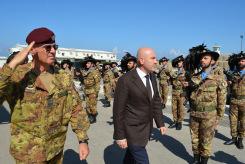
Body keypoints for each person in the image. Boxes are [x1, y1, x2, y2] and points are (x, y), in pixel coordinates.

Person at [0, 27, 90, 163]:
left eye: (55, 47)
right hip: (28, 153)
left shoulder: (63, 76)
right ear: (32, 50)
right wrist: (12, 64)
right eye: (48, 48)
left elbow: (76, 108)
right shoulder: (18, 75)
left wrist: (82, 139)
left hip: (55, 150)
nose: (53, 51)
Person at [113, 47, 167, 164]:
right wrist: (119, 136)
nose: (156, 61)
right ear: (142, 61)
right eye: (152, 58)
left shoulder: (152, 76)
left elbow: (155, 101)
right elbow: (118, 110)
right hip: (132, 130)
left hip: (146, 128)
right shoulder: (125, 80)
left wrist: (160, 122)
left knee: (130, 158)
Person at [186, 49, 227, 164]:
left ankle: (204, 160)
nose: (202, 60)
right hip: (194, 113)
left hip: (209, 116)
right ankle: (195, 158)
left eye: (206, 58)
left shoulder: (218, 78)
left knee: (206, 140)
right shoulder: (194, 77)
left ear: (211, 60)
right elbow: (189, 94)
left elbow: (222, 99)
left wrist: (219, 117)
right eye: (201, 58)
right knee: (194, 138)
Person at [225, 51, 245, 149]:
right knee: (232, 120)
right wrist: (228, 82)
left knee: (243, 121)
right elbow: (228, 85)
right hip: (233, 100)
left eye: (243, 61)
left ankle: (240, 139)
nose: (241, 63)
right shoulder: (233, 73)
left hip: (244, 101)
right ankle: (233, 138)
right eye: (240, 61)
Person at [169, 55, 190, 130]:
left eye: (180, 62)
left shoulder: (186, 72)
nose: (178, 63)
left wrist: (186, 93)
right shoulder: (174, 71)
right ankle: (175, 121)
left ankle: (179, 122)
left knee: (181, 108)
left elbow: (189, 82)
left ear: (183, 62)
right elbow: (171, 81)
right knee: (174, 108)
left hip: (181, 92)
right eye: (177, 62)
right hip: (174, 91)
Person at [82, 56, 101, 124]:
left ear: (92, 64)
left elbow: (97, 82)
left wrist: (96, 92)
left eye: (88, 63)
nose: (87, 64)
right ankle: (90, 115)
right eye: (86, 63)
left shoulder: (94, 71)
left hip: (93, 91)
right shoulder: (86, 71)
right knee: (87, 104)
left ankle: (93, 117)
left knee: (92, 105)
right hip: (87, 91)